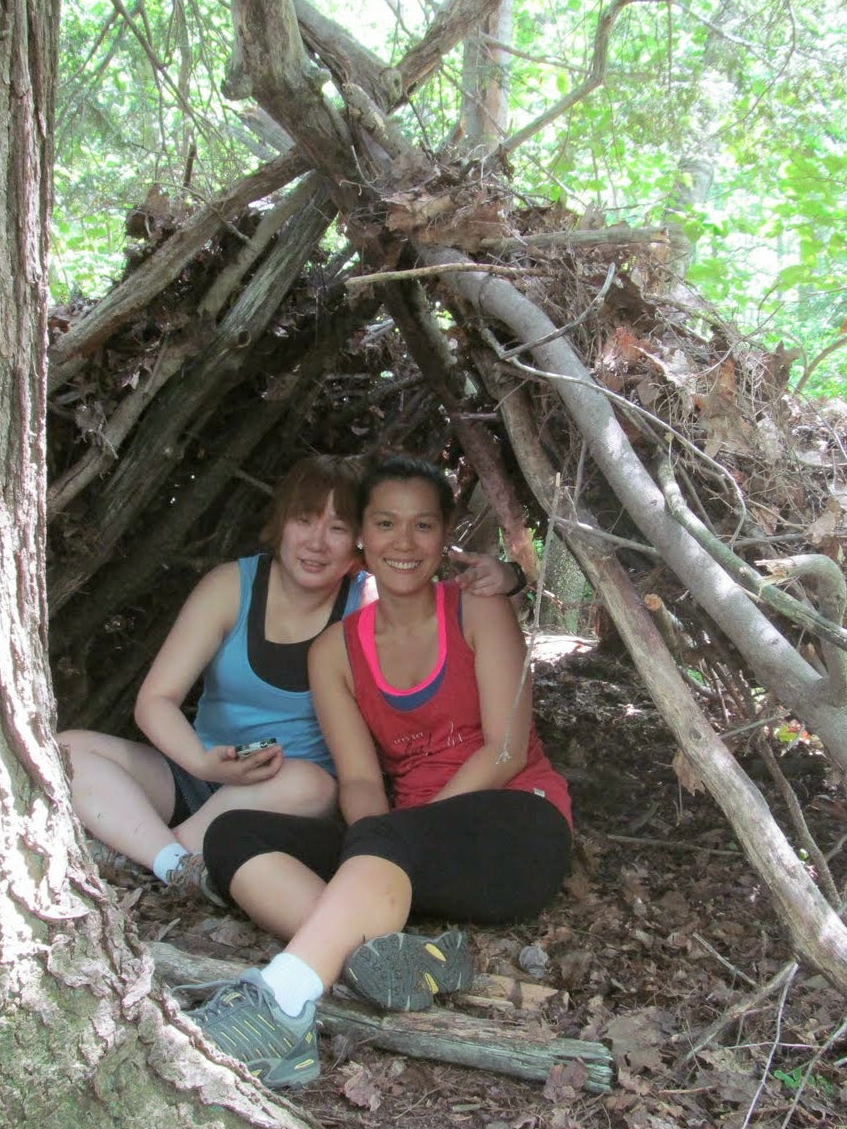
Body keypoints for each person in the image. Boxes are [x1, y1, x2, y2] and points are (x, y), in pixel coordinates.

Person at [186, 455, 572, 1089]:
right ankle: (391, 956)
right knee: (233, 835)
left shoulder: (478, 610)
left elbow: (505, 751)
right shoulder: (335, 650)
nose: (404, 543)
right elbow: (361, 781)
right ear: (362, 536)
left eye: (423, 526)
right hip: (402, 850)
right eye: (386, 524)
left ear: (444, 536)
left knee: (386, 835)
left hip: (516, 826)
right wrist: (374, 839)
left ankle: (282, 1002)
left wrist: (387, 838)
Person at [58, 454, 520, 898]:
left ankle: (154, 854)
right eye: (304, 520)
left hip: (290, 793)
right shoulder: (230, 587)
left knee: (309, 784)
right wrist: (202, 762)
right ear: (281, 523)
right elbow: (155, 700)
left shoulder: (368, 603)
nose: (316, 543)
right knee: (69, 749)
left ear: (359, 540)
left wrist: (511, 576)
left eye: (337, 528)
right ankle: (174, 864)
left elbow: (434, 598)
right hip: (199, 770)